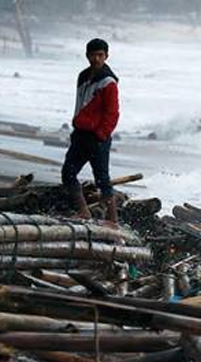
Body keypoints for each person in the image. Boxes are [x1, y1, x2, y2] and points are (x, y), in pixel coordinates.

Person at [61, 38, 120, 225]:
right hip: (80, 134)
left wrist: (101, 135)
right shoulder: (83, 76)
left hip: (97, 137)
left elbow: (112, 113)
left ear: (106, 56)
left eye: (100, 55)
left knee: (102, 179)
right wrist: (77, 125)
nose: (96, 59)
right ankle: (83, 211)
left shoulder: (108, 82)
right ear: (87, 56)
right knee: (68, 173)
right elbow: (81, 104)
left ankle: (113, 220)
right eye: (93, 55)